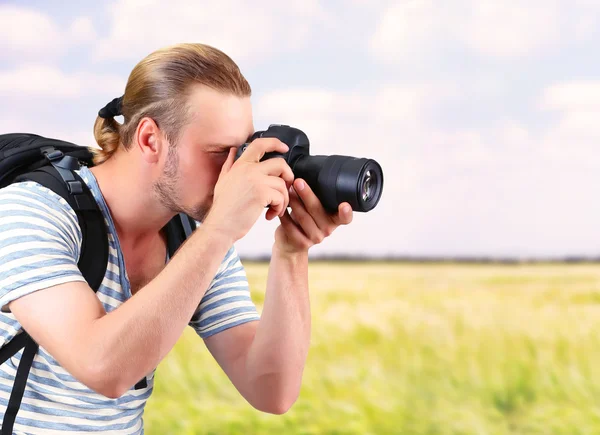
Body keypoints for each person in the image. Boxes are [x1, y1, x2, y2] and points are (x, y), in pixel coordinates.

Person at [0, 43, 353, 434]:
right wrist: (220, 229)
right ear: (151, 139)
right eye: (219, 152)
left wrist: (291, 251)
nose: (235, 171)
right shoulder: (33, 209)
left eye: (244, 149)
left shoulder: (193, 236)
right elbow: (103, 367)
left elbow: (271, 388)